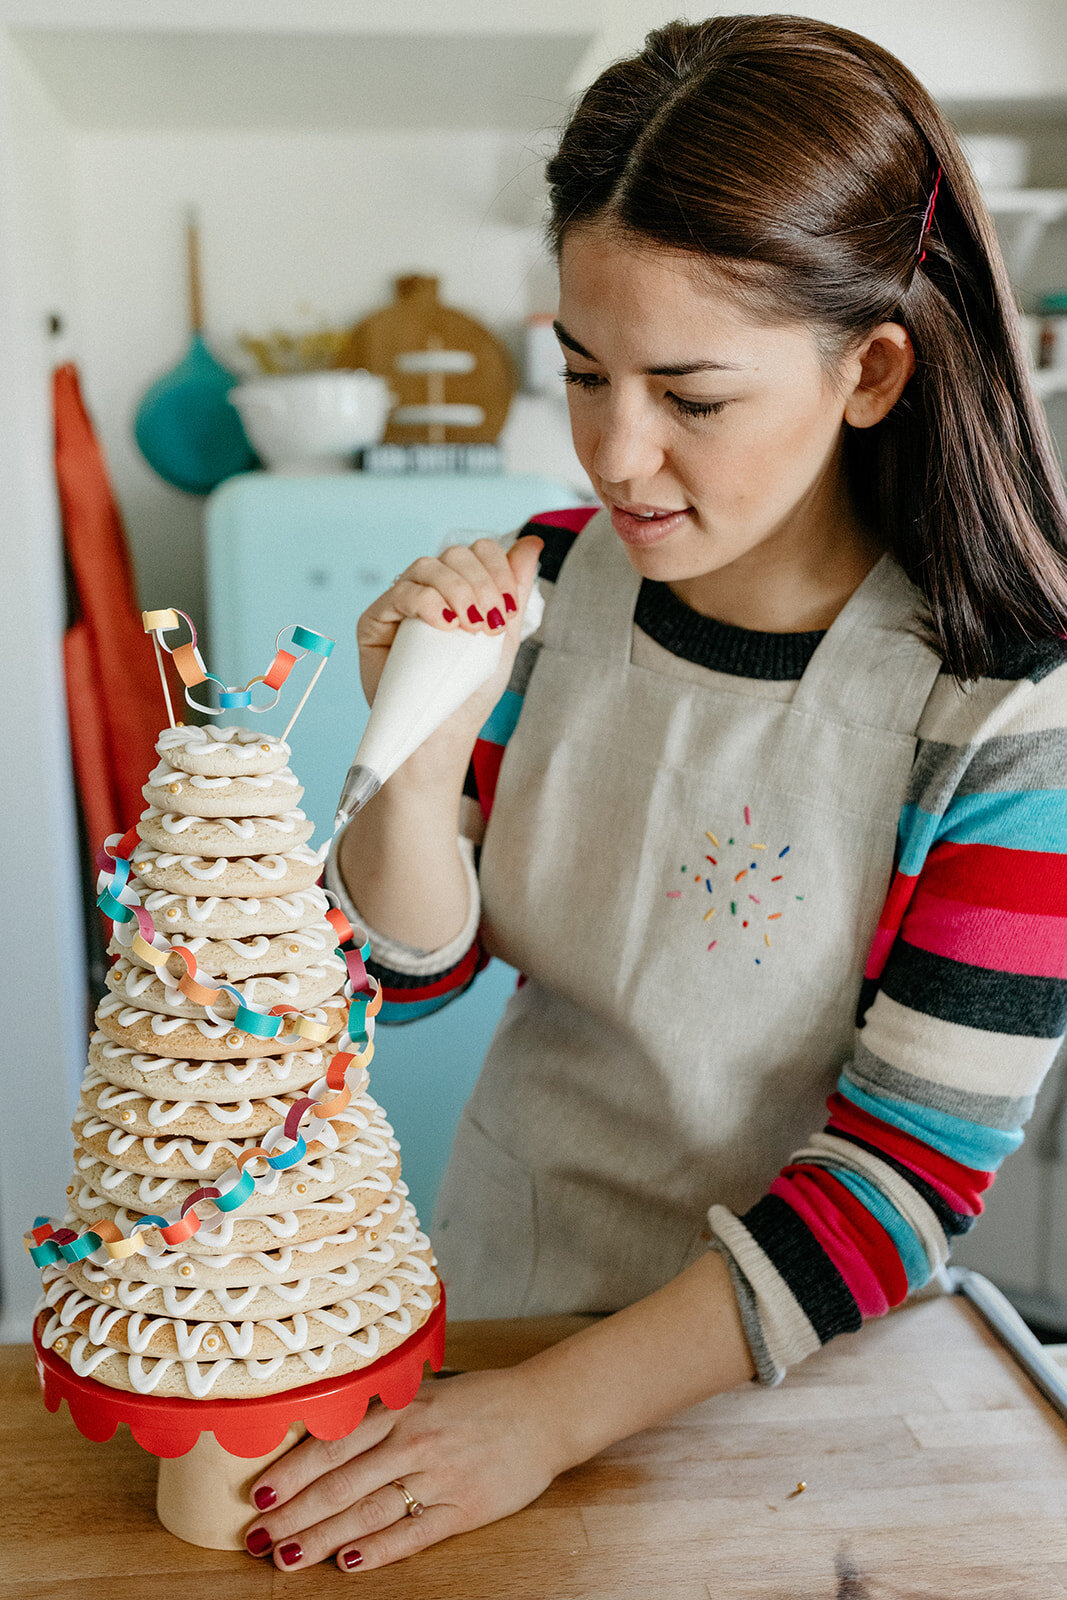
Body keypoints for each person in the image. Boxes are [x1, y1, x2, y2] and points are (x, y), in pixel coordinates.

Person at [243, 14, 1067, 1573]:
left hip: (790, 1381)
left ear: (872, 369)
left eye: (692, 396)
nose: (619, 455)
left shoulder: (1003, 713)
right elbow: (404, 978)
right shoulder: (549, 587)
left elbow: (901, 1180)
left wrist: (549, 1420)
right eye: (580, 372)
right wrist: (415, 767)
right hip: (499, 1301)